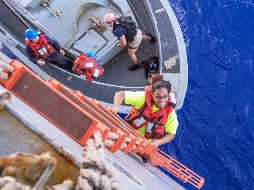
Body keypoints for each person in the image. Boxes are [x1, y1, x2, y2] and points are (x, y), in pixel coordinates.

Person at [112, 74, 178, 148]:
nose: (162, 101)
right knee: (117, 144)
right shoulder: (143, 98)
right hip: (128, 131)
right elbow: (120, 94)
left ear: (168, 95)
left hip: (146, 143)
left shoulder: (170, 112)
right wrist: (116, 108)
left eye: (165, 96)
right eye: (158, 97)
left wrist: (158, 142)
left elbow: (171, 133)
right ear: (152, 94)